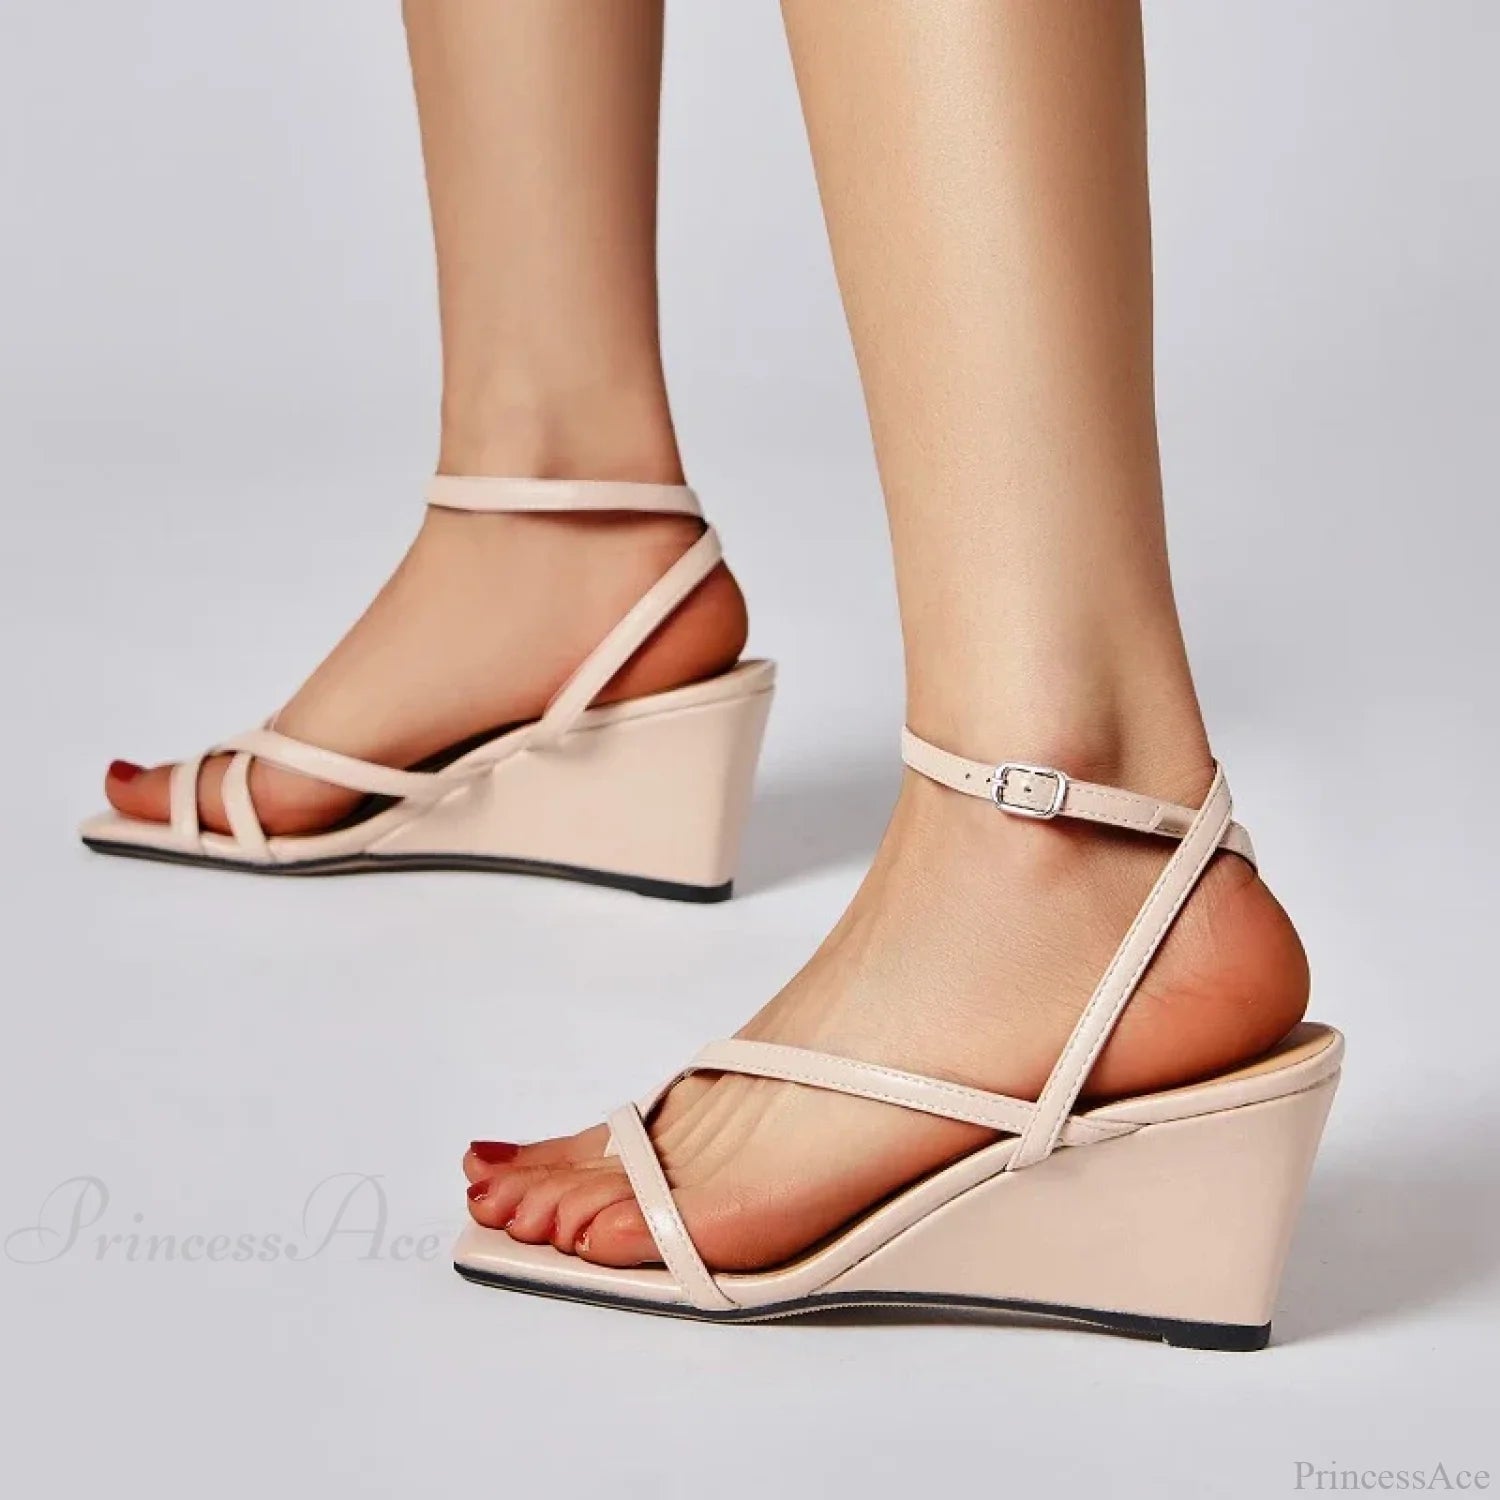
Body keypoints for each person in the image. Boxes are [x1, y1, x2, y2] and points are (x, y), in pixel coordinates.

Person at [87, 2, 1341, 1344]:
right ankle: (548, 501)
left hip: (1076, 829)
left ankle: (1057, 804)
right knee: (546, 455)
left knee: (1048, 743)